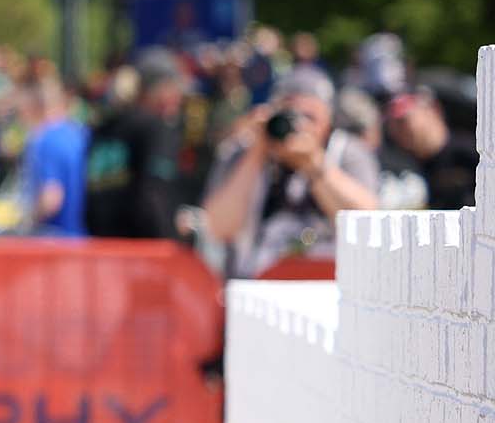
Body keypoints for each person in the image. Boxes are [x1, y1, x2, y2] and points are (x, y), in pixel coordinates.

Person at [203, 64, 380, 277]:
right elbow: (218, 228)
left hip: (332, 288)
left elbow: (368, 223)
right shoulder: (242, 152)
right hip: (254, 290)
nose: (299, 127)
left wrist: (314, 165)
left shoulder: (347, 152)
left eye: (309, 117)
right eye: (291, 116)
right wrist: (256, 152)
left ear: (329, 117)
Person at [84, 51, 191, 240]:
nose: (180, 99)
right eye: (176, 89)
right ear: (159, 90)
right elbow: (155, 199)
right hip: (145, 254)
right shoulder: (156, 129)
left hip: (102, 249)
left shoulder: (102, 129)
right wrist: (171, 241)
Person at [381, 88, 473, 212]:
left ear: (433, 110)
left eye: (403, 121)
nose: (396, 130)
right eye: (391, 124)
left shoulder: (471, 152)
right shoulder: (401, 163)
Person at [19, 77, 91, 236]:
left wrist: (23, 224)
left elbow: (51, 198)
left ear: (33, 108)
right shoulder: (80, 134)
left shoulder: (45, 140)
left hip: (54, 240)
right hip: (81, 238)